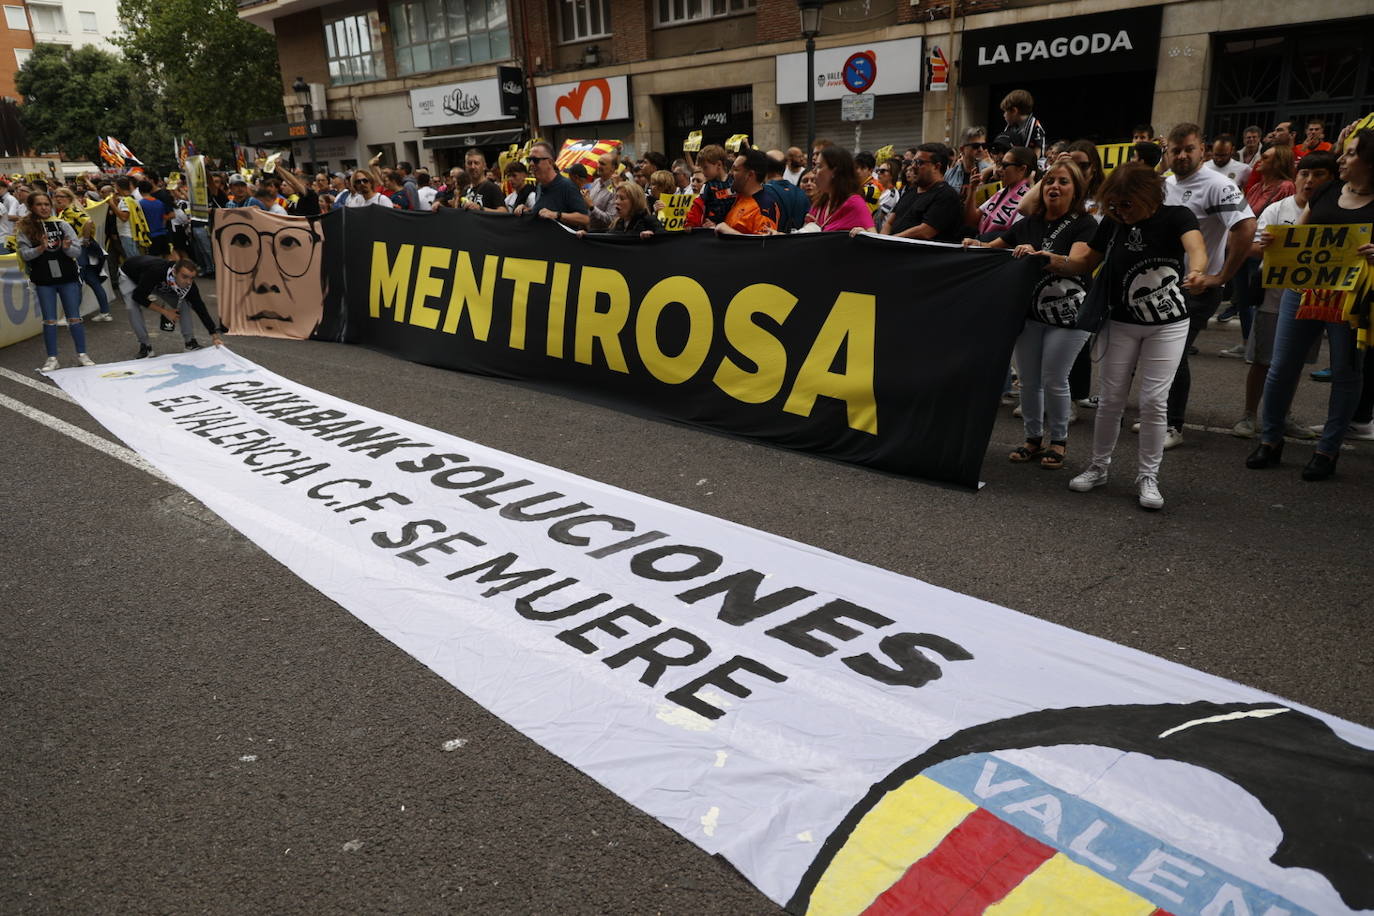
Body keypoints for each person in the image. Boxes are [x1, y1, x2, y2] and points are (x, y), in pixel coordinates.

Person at [1045, 162, 1209, 510]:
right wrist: (1052, 260)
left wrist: (1197, 271)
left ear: (1148, 195)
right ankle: (1098, 466)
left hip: (1168, 324)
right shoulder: (1113, 223)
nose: (1120, 212)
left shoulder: (1177, 216)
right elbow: (1084, 262)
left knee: (1153, 401)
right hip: (1119, 321)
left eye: (1126, 205)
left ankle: (1148, 476)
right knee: (1110, 400)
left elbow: (1196, 246)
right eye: (1114, 206)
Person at [1247, 126, 1374, 481]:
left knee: (1347, 374)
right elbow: (1300, 237)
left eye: (1350, 153)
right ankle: (1270, 440)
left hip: (1349, 301)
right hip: (1302, 293)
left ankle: (1327, 450)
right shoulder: (1328, 190)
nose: (1342, 159)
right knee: (1281, 366)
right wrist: (1277, 242)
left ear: (1369, 161)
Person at [967, 160, 1097, 469]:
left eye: (1063, 182)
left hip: (1070, 315)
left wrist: (1041, 256)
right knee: (1028, 380)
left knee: (1054, 377)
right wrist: (975, 244)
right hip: (1029, 312)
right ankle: (1033, 438)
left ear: (1076, 190)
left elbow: (1078, 261)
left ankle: (1059, 441)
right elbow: (995, 247)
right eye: (1050, 181)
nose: (1054, 187)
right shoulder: (1029, 223)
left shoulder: (1085, 223)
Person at [1156, 123, 1256, 450]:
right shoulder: (1164, 184)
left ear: (1203, 150)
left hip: (1196, 289)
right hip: (1161, 289)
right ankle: (1160, 417)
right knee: (1160, 355)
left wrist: (1221, 278)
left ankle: (1173, 425)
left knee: (1174, 354)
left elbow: (1245, 227)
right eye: (1176, 150)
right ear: (1167, 153)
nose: (1182, 155)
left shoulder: (1217, 185)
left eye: (1189, 149)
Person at [1230, 152, 1337, 438]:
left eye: (1319, 175)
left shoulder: (1334, 213)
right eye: (1304, 174)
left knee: (1294, 363)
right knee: (1262, 361)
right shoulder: (1278, 209)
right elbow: (1250, 248)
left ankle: (1282, 416)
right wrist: (1265, 245)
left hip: (1312, 301)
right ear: (1296, 176)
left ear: (1331, 179)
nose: (1310, 181)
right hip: (1273, 299)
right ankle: (1249, 415)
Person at [19, 193, 94, 370]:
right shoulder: (26, 228)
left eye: (46, 204)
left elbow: (76, 252)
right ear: (32, 207)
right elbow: (24, 255)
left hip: (67, 278)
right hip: (44, 280)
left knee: (74, 318)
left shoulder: (63, 224)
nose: (44, 207)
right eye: (39, 204)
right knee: (49, 320)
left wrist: (67, 248)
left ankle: (82, 354)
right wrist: (41, 248)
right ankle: (52, 358)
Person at [119, 256, 223, 357]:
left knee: (183, 302)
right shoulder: (156, 271)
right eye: (184, 276)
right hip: (130, 274)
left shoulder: (189, 284)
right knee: (132, 307)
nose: (188, 282)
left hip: (154, 281)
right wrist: (165, 312)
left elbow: (200, 307)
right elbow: (138, 297)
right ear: (174, 272)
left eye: (191, 278)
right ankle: (145, 346)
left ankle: (190, 342)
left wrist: (214, 335)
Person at [874, 143, 963, 243]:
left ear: (936, 167)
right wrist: (881, 241)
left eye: (919, 162)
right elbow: (889, 222)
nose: (913, 167)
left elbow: (925, 231)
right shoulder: (911, 191)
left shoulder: (946, 196)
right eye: (913, 162)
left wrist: (891, 240)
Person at [514, 141, 590, 229]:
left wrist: (557, 215)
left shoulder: (567, 186)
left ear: (550, 162)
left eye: (535, 160)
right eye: (529, 160)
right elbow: (545, 210)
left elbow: (585, 219)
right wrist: (528, 210)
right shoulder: (540, 186)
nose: (531, 164)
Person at [966, 146, 1034, 238]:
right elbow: (971, 220)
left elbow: (1012, 238)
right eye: (1000, 164)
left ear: (1022, 169)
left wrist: (982, 244)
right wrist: (972, 189)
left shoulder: (1028, 200)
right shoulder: (1001, 192)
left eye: (1005, 166)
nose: (999, 170)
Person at [804, 146, 871, 232]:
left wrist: (863, 234)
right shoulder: (820, 203)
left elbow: (873, 237)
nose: (814, 171)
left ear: (834, 171)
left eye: (819, 166)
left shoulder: (855, 203)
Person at [716, 149, 780, 236]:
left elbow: (763, 245)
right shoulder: (737, 197)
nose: (730, 173)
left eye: (735, 169)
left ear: (750, 175)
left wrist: (729, 232)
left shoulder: (764, 206)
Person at [577, 181, 662, 239]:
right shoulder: (618, 223)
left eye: (622, 198)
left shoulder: (649, 220)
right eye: (616, 197)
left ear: (635, 201)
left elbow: (666, 239)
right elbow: (606, 235)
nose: (616, 202)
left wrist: (653, 236)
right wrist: (587, 234)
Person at [684, 145, 734, 229]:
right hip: (712, 230)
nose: (703, 171)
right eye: (702, 168)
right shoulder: (708, 185)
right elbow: (698, 205)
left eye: (705, 167)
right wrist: (690, 222)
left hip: (732, 228)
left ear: (718, 164)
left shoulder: (734, 182)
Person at [999, 89, 1046, 164]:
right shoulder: (1012, 127)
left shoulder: (1036, 127)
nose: (1004, 115)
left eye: (1005, 111)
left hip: (1032, 167)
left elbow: (1036, 155)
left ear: (1014, 111)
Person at [765, 155, 809, 232]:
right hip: (799, 241)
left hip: (771, 241)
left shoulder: (762, 193)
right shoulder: (802, 193)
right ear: (785, 168)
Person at [945, 127, 990, 194]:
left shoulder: (990, 172)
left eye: (983, 145)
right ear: (962, 149)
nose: (981, 149)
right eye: (975, 146)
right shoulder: (950, 174)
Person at [461, 148, 507, 212]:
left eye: (476, 163)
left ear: (484, 166)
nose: (473, 167)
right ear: (465, 166)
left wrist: (481, 209)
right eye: (469, 163)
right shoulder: (465, 190)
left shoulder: (492, 188)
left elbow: (503, 211)